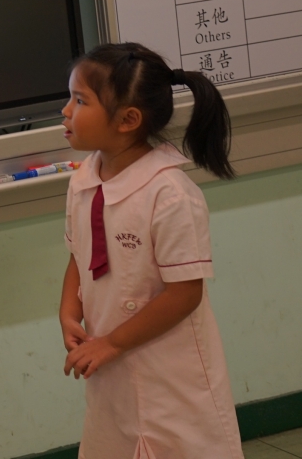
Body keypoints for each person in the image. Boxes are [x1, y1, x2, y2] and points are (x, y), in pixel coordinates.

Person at [58, 42, 242, 458]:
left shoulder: (171, 194)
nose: (66, 111)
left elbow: (185, 293)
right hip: (112, 371)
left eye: (80, 101)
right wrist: (68, 312)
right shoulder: (82, 180)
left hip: (169, 376)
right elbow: (78, 256)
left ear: (128, 120)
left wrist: (113, 343)